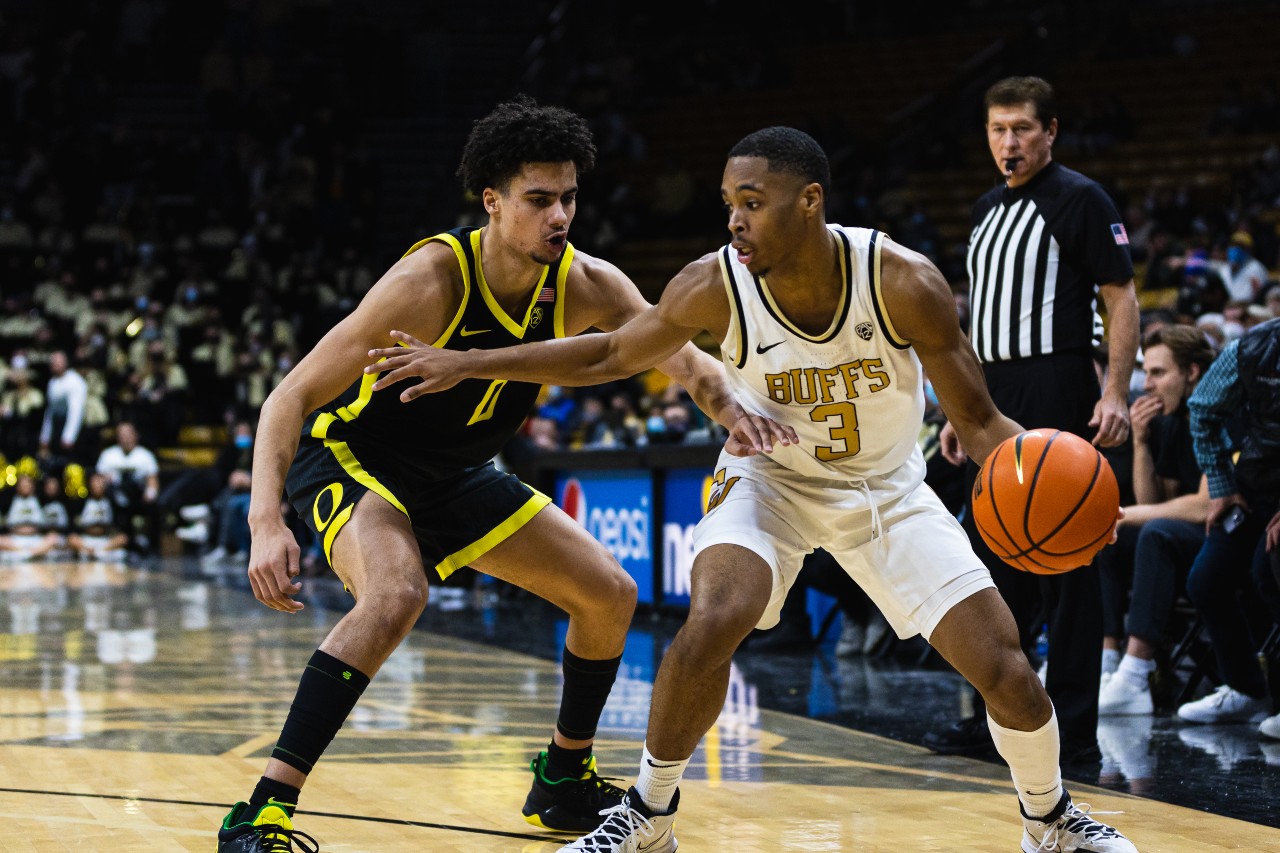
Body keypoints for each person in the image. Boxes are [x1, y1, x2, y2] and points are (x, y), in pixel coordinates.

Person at [368, 127, 1138, 853]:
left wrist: (1089, 501)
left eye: (752, 203)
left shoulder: (901, 280)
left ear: (809, 201)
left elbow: (980, 424)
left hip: (885, 491)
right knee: (715, 616)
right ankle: (648, 812)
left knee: (1004, 664)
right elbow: (611, 353)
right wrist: (473, 361)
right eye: (729, 204)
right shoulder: (714, 283)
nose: (735, 220)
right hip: (767, 478)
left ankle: (1051, 818)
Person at [216, 97, 785, 852]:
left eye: (569, 198)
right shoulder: (429, 281)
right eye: (539, 200)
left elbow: (683, 359)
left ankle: (563, 777)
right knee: (396, 592)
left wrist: (732, 412)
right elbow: (289, 394)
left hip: (454, 470)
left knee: (609, 593)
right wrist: (264, 519)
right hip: (357, 458)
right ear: (493, 202)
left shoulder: (587, 284)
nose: (560, 216)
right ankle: (263, 808)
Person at [927, 76, 1141, 764]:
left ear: (1050, 131)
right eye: (997, 130)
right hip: (992, 390)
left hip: (1056, 380)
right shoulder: (987, 208)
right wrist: (964, 404)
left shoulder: (1081, 198)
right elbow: (976, 323)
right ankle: (1003, 720)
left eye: (1021, 128)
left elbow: (1121, 295)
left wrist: (1113, 390)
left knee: (1067, 563)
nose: (1008, 142)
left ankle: (1073, 729)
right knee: (990, 564)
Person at [1096, 324, 1214, 716]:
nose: (1146, 384)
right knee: (1108, 539)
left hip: (1231, 537)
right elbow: (1157, 501)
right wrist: (1142, 442)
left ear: (1192, 373)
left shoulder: (1215, 413)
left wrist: (1128, 513)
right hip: (1188, 536)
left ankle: (1136, 672)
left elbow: (1201, 506)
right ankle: (1109, 659)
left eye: (1157, 373)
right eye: (1145, 372)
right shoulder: (1169, 420)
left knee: (1155, 532)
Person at [1178, 317, 1280, 736]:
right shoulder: (1254, 345)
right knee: (1207, 579)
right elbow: (1201, 408)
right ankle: (1246, 689)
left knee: (1269, 571)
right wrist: (1220, 484)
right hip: (1258, 488)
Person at [94, 421, 160, 554]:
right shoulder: (108, 455)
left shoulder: (145, 456)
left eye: (128, 434)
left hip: (138, 497)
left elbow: (153, 481)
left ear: (136, 435)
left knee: (155, 507)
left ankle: (148, 545)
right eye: (121, 434)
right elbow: (98, 479)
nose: (125, 438)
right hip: (113, 498)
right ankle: (114, 540)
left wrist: (150, 494)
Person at [38, 350, 88, 465]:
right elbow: (50, 411)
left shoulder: (75, 381)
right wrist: (44, 437)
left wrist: (68, 437)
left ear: (66, 363)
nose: (54, 364)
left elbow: (76, 412)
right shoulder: (52, 382)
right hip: (58, 426)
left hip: (77, 430)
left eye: (57, 362)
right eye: (52, 362)